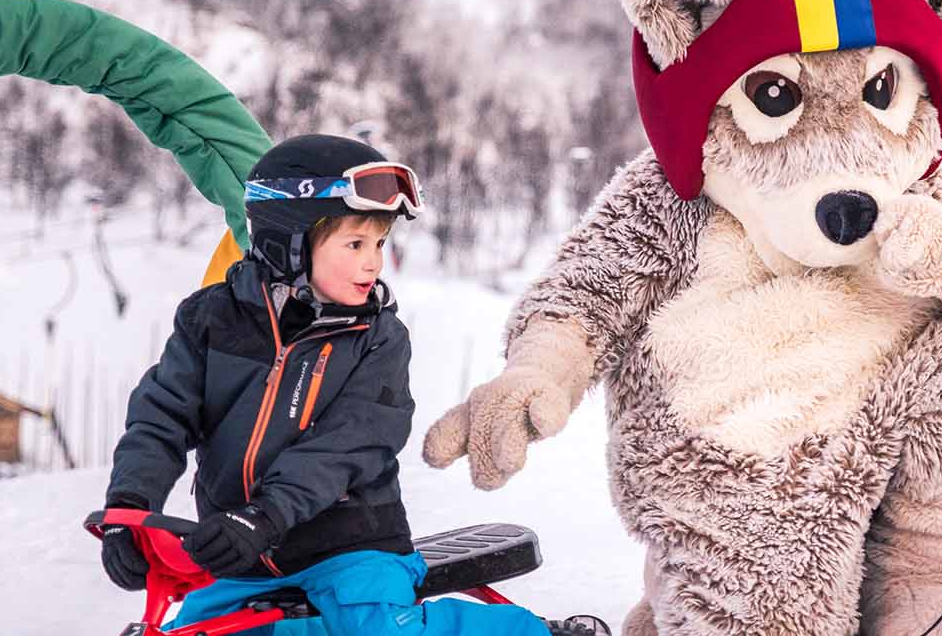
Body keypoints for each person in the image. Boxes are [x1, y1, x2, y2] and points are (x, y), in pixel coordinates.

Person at [98, 134, 608, 636]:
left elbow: (350, 444)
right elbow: (161, 415)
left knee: (377, 626)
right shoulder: (209, 320)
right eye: (355, 243)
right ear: (288, 243)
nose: (374, 262)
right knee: (205, 628)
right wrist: (129, 506)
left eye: (380, 243)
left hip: (351, 547)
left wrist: (265, 515)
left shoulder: (379, 339)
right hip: (246, 554)